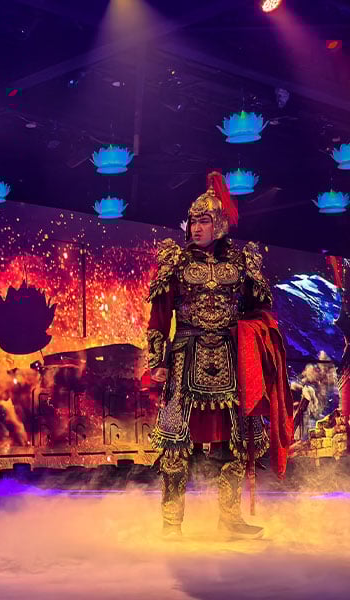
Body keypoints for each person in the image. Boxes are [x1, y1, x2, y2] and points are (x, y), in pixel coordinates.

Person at [147, 171, 293, 540]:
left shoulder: (242, 264)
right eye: (193, 221)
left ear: (220, 224)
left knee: (237, 442)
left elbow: (262, 310)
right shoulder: (176, 262)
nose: (196, 228)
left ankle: (229, 520)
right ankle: (171, 523)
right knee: (175, 443)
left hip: (231, 361)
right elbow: (159, 316)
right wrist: (157, 361)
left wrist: (256, 341)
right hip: (185, 359)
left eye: (204, 221)